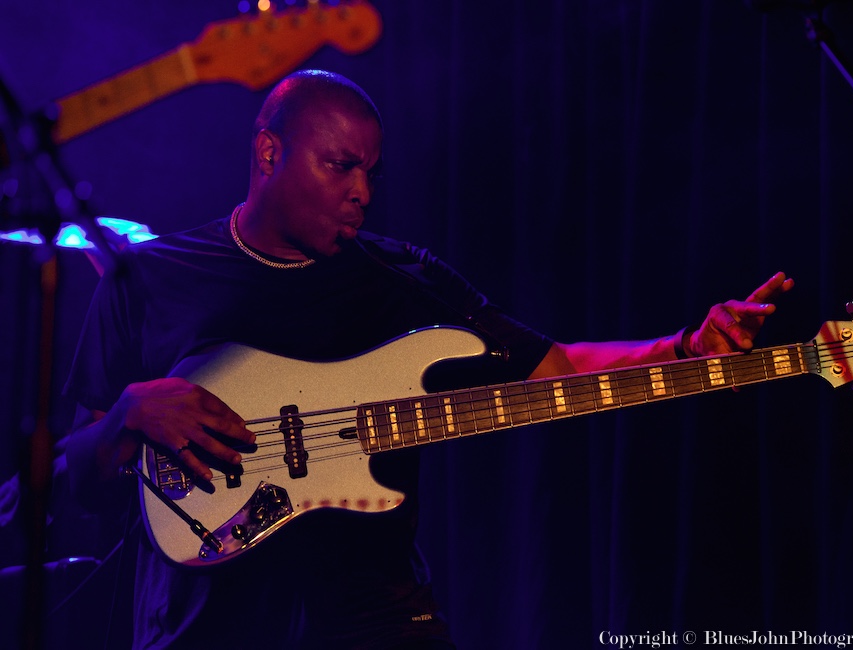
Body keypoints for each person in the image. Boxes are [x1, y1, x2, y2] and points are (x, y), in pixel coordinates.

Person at [63, 69, 794, 649]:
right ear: (267, 152)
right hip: (205, 627)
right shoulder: (148, 278)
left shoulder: (403, 279)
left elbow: (553, 367)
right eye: (341, 166)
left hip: (374, 620)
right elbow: (74, 476)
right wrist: (128, 414)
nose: (361, 193)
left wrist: (683, 348)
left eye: (372, 173)